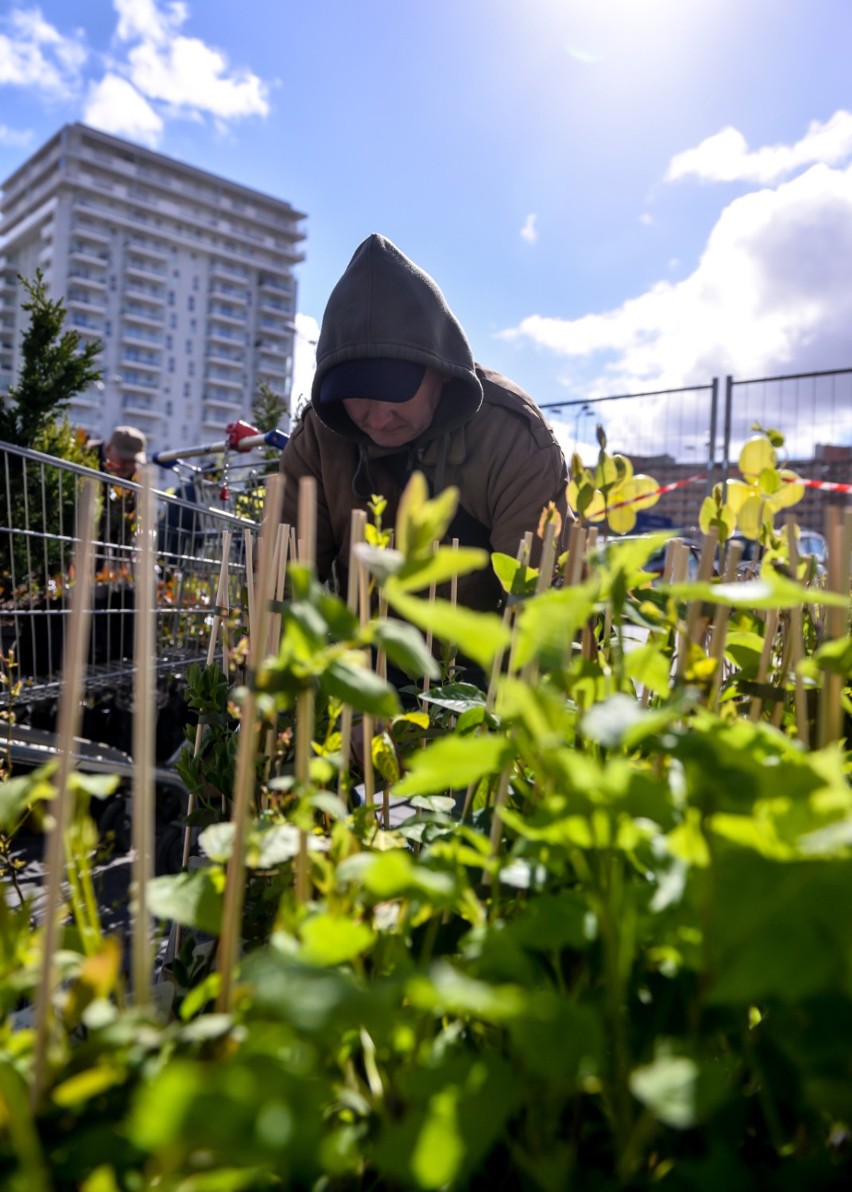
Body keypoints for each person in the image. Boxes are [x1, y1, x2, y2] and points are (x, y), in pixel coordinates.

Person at [279, 234, 569, 615]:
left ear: (444, 371)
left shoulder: (512, 437)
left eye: (396, 390)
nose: (378, 418)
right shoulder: (317, 439)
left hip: (475, 664)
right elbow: (282, 587)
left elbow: (541, 601)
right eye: (355, 395)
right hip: (358, 660)